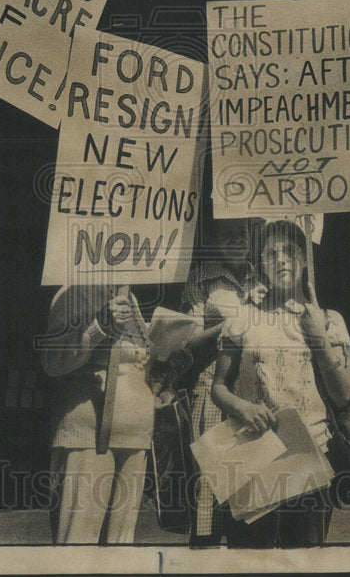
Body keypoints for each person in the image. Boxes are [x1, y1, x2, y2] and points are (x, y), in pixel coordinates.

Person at [211, 219, 350, 548]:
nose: (281, 259)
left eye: (289, 251)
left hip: (311, 456)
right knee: (250, 559)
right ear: (260, 263)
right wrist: (242, 407)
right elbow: (218, 388)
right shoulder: (242, 318)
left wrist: (318, 338)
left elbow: (343, 394)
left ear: (304, 258)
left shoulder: (329, 321)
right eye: (270, 253)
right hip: (251, 454)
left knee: (304, 559)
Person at [39, 283, 154, 544]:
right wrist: (98, 327)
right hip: (90, 434)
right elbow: (52, 361)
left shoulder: (130, 296)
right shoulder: (74, 292)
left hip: (135, 436)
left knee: (120, 544)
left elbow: (138, 365)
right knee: (80, 540)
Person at [179, 217, 262, 546]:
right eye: (228, 235)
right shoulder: (201, 278)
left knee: (252, 494)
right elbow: (186, 341)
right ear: (214, 240)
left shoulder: (265, 276)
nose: (237, 240)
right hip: (213, 394)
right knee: (210, 494)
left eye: (242, 234)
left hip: (257, 396)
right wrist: (230, 325)